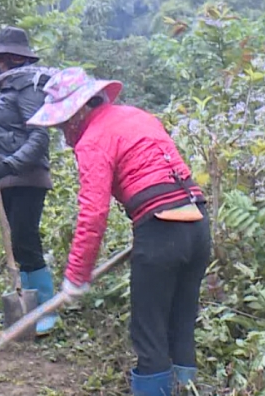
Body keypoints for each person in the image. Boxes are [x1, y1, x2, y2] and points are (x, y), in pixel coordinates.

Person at [27, 68, 209, 396]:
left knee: (149, 334)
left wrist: (75, 276)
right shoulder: (137, 116)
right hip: (197, 222)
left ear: (78, 113)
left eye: (61, 123)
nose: (63, 133)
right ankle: (186, 389)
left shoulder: (93, 139)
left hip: (161, 228)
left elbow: (93, 214)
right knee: (181, 325)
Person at [0, 25, 60, 334]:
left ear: (10, 59)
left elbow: (38, 137)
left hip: (28, 178)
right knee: (17, 242)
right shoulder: (8, 88)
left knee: (26, 240)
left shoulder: (28, 87)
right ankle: (30, 306)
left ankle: (48, 310)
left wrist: (9, 166)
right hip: (10, 178)